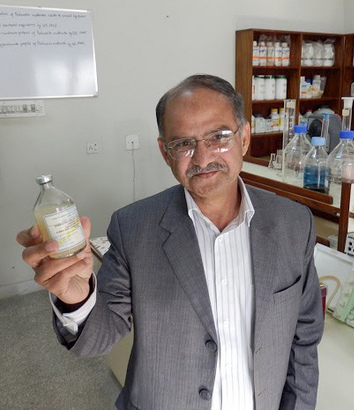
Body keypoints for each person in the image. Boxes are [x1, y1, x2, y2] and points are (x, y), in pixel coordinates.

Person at [17, 74, 324, 410]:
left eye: (218, 137)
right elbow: (98, 340)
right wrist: (77, 301)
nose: (203, 157)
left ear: (244, 138)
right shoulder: (134, 227)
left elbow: (304, 337)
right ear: (165, 152)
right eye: (184, 144)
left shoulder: (293, 224)